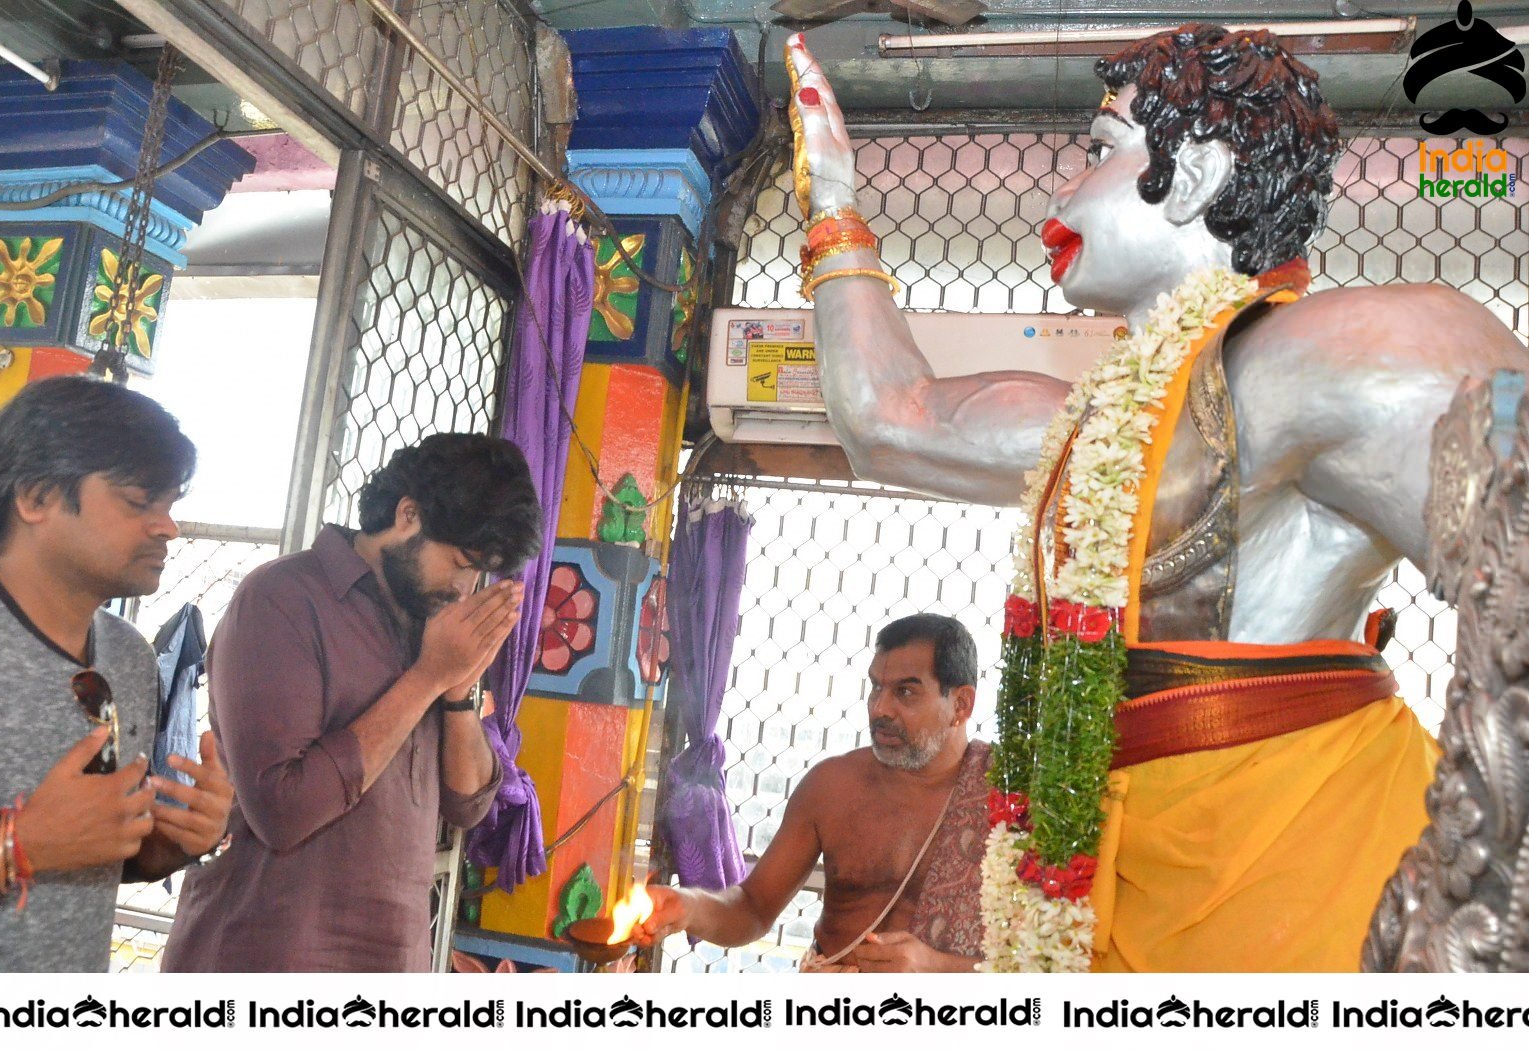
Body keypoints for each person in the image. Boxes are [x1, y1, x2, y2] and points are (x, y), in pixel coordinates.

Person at [786, 25, 1526, 972]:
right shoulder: (1094, 421)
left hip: (1301, 876)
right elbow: (887, 420)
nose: (1060, 191)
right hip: (1111, 880)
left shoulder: (1342, 353)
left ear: (1197, 173)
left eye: (1098, 151)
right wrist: (835, 198)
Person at [163, 433, 541, 971]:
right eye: (459, 562)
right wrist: (427, 677)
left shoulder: (429, 622)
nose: (465, 588)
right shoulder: (281, 599)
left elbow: (468, 806)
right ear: (407, 515)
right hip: (270, 958)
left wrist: (455, 690)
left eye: (480, 572)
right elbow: (283, 812)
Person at [0, 375, 232, 972]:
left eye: (171, 505)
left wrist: (172, 840)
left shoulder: (127, 656)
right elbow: (44, 841)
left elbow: (92, 849)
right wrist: (11, 844)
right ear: (37, 497)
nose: (167, 527)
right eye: (138, 502)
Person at [639, 614, 991, 973]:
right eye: (876, 688)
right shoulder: (833, 787)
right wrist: (689, 907)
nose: (880, 709)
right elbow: (754, 907)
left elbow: (1043, 959)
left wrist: (935, 969)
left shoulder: (1007, 802)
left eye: (905, 692)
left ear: (961, 705)